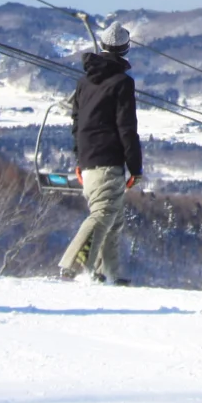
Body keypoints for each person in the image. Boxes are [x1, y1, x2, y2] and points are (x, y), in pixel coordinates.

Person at [59, 21, 142, 285]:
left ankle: (110, 274)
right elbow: (126, 128)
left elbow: (76, 122)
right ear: (125, 50)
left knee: (113, 218)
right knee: (103, 214)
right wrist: (135, 167)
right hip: (109, 160)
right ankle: (75, 265)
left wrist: (79, 159)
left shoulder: (84, 82)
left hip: (88, 159)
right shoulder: (122, 83)